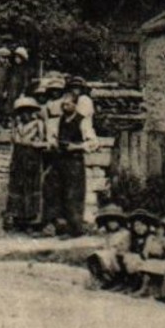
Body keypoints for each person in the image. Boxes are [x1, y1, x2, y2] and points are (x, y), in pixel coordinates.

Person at [51, 87, 98, 236]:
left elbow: (93, 143)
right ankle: (63, 228)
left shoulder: (82, 121)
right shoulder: (60, 120)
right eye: (63, 105)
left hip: (75, 161)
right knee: (60, 192)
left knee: (74, 194)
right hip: (60, 160)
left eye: (68, 104)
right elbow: (54, 136)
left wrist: (76, 146)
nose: (65, 107)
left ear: (75, 105)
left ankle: (76, 228)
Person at [2, 95, 48, 234]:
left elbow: (45, 142)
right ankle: (17, 217)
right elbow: (13, 142)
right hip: (18, 157)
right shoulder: (17, 125)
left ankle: (31, 219)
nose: (25, 115)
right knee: (17, 186)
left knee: (31, 186)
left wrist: (35, 144)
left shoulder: (38, 124)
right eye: (22, 112)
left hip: (32, 157)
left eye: (27, 111)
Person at [86, 206, 132, 289]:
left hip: (119, 255)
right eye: (109, 222)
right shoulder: (107, 234)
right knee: (93, 257)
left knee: (115, 257)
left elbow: (125, 247)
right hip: (109, 255)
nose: (112, 224)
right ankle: (100, 279)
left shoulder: (125, 233)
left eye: (115, 222)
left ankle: (118, 280)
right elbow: (103, 245)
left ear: (119, 222)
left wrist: (116, 249)